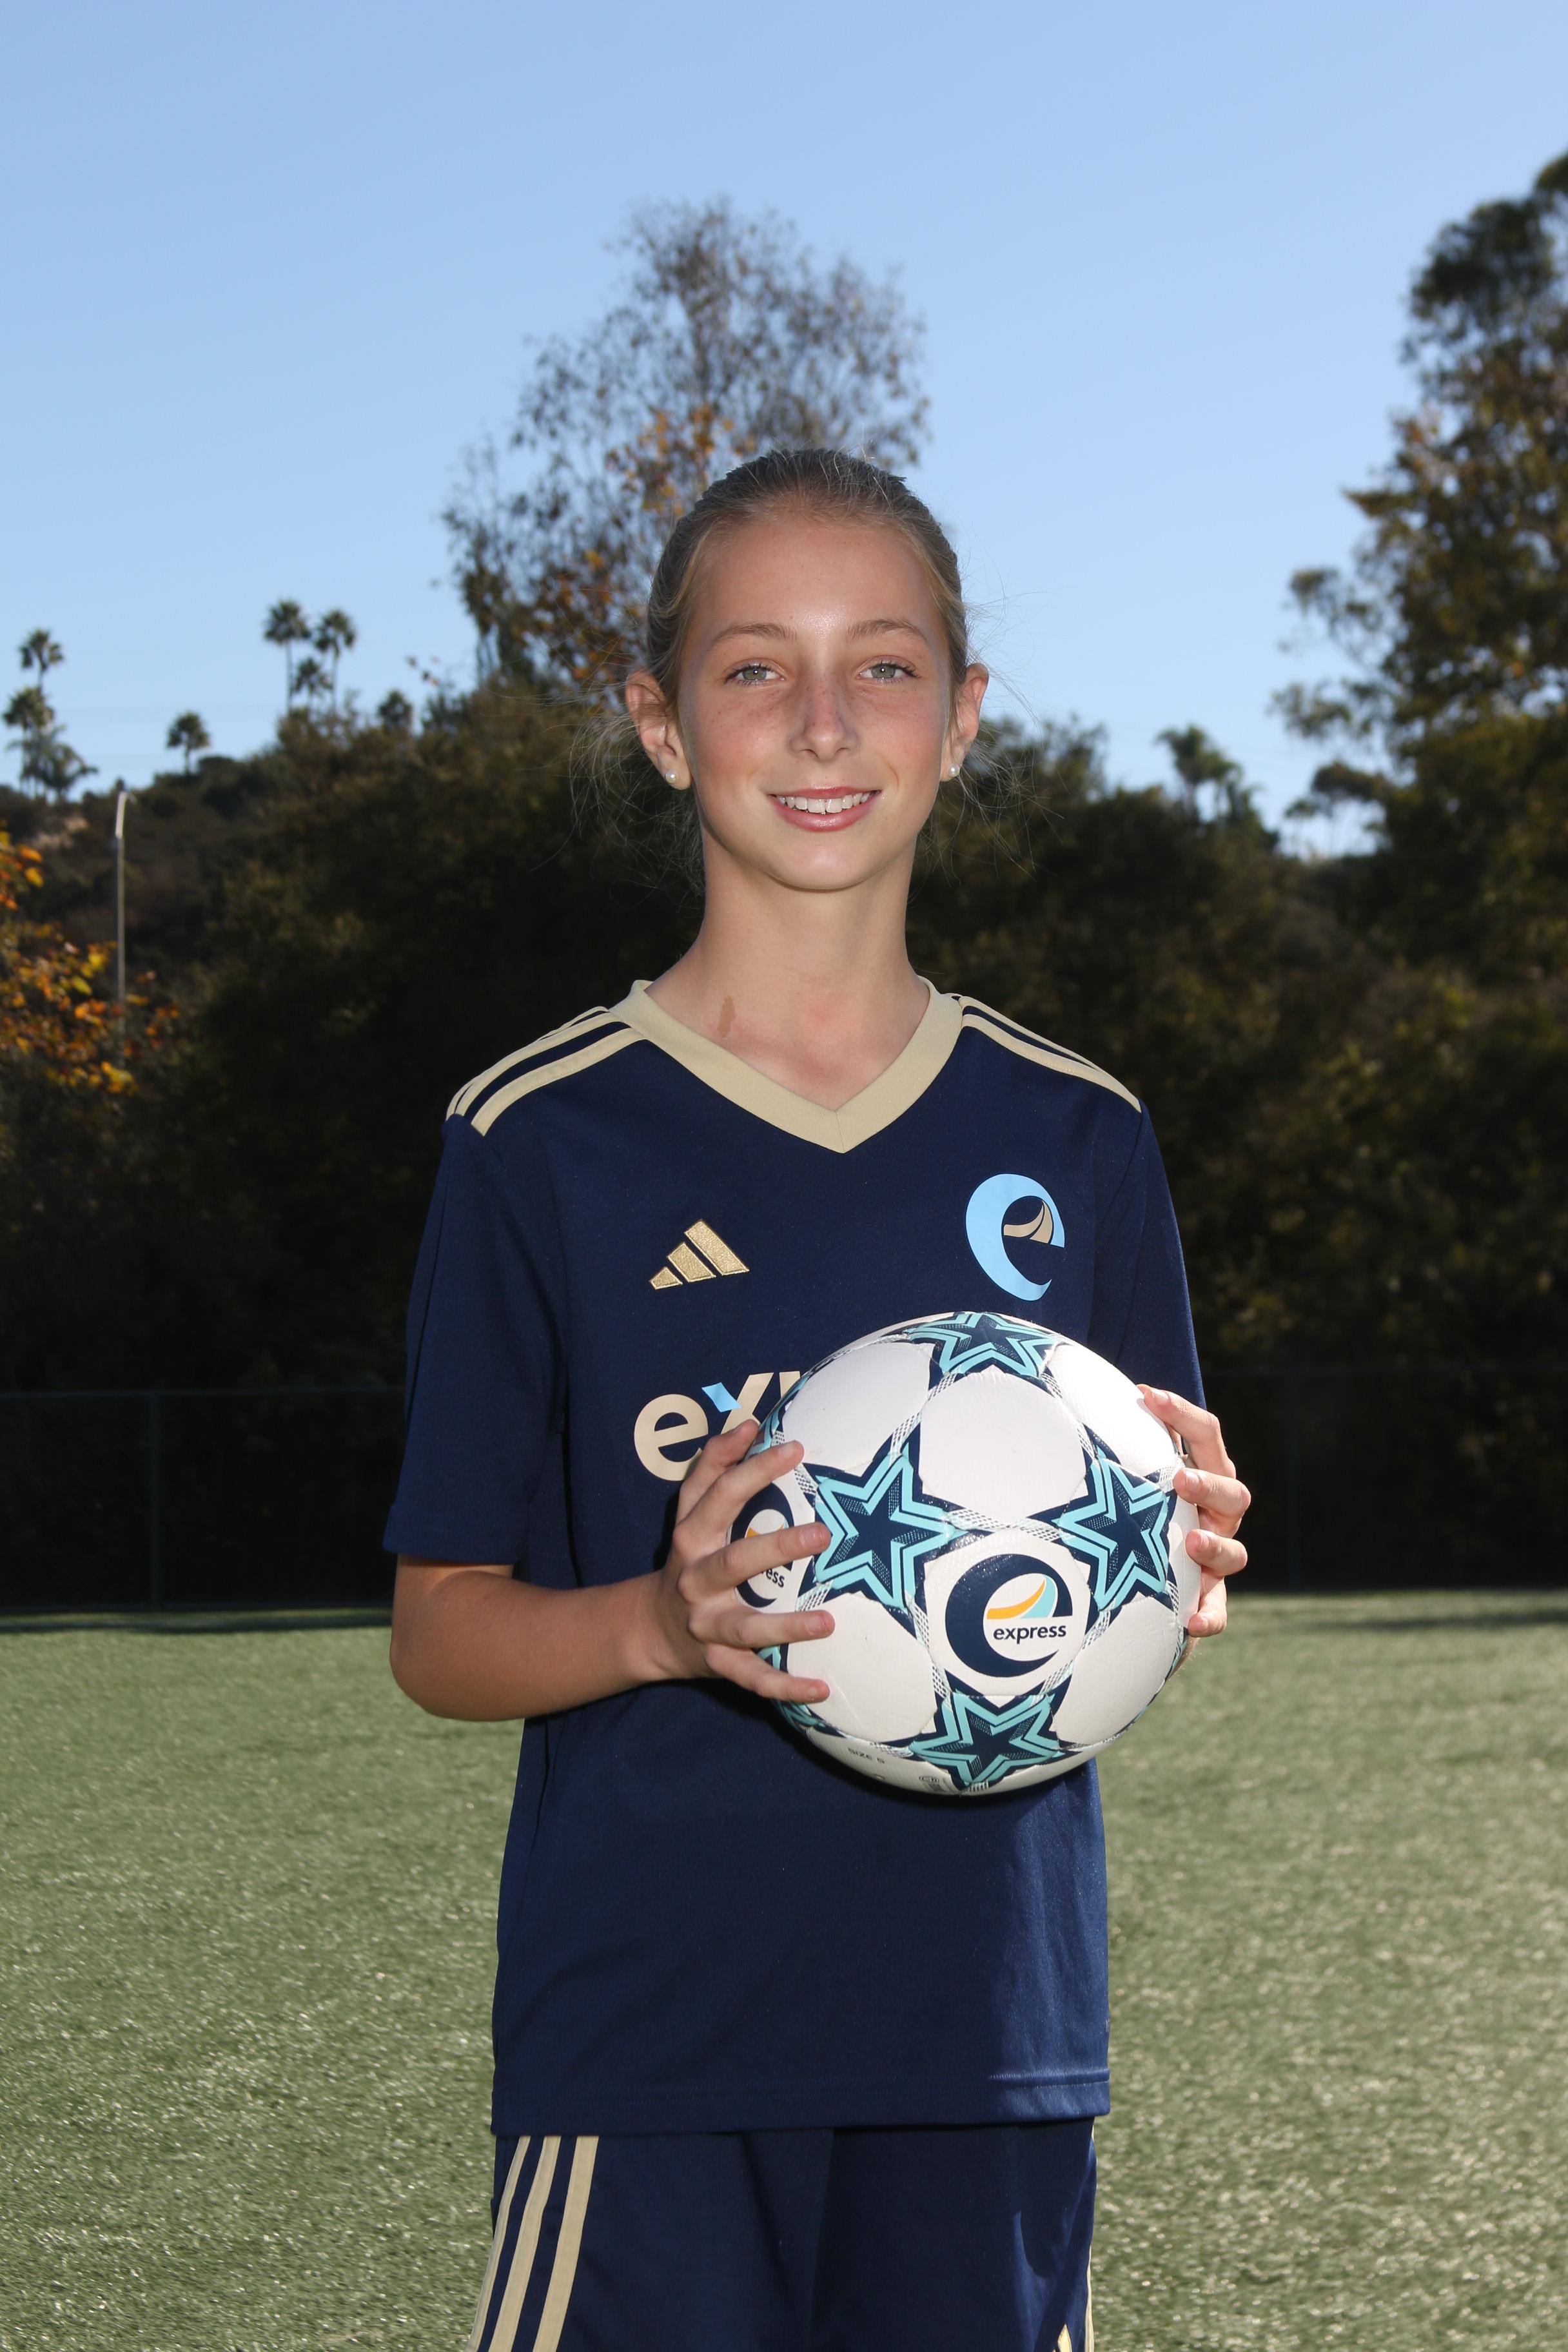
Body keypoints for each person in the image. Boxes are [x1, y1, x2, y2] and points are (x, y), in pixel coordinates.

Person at [385, 447, 1250, 2352]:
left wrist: (1179, 1558)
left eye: (884, 665)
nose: (825, 721)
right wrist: (659, 1622)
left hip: (992, 2042)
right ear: (662, 723)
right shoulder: (540, 1139)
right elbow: (438, 1632)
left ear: (964, 716)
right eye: (756, 666)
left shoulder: (1078, 1135)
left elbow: (1142, 1578)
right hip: (652, 2049)